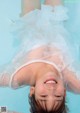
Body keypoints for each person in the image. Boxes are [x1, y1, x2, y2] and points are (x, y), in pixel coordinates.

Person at [0, 0, 80, 113]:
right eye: (58, 96)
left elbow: (2, 110)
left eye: (43, 96)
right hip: (56, 20)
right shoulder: (74, 80)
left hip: (31, 22)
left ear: (32, 90)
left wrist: (4, 110)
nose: (51, 90)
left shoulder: (18, 75)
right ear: (65, 92)